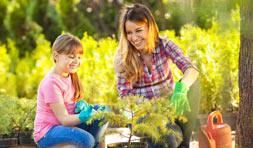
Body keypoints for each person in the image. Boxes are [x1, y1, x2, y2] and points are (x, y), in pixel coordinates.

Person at [114, 3, 199, 148]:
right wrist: (152, 110)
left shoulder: (164, 45)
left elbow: (191, 69)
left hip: (170, 109)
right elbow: (125, 99)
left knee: (194, 85)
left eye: (138, 31)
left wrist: (181, 89)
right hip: (143, 116)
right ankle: (177, 139)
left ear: (150, 27)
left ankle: (184, 142)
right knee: (167, 140)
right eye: (129, 33)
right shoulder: (123, 57)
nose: (134, 38)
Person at [33, 33, 108, 148]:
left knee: (103, 113)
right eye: (71, 57)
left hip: (65, 128)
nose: (76, 61)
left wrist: (81, 106)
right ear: (56, 56)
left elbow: (70, 103)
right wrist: (84, 116)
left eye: (79, 57)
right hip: (48, 133)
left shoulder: (70, 75)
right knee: (87, 140)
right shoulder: (51, 83)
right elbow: (64, 119)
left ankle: (95, 145)